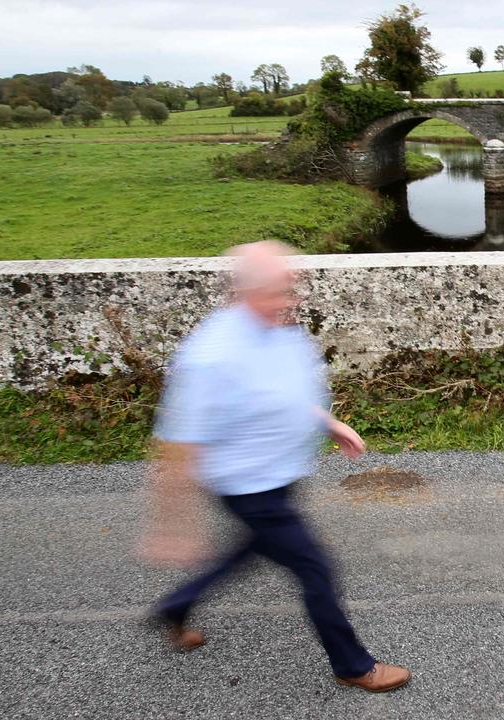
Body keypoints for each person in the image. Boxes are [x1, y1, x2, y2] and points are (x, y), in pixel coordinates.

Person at [139, 241, 410, 693]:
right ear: (249, 292)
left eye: (293, 289)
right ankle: (352, 664)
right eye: (282, 291)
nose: (292, 300)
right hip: (248, 485)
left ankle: (176, 606)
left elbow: (279, 394)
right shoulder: (212, 354)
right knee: (314, 567)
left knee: (256, 548)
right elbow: (178, 443)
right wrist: (173, 525)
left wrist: (328, 423)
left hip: (278, 474)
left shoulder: (274, 330)